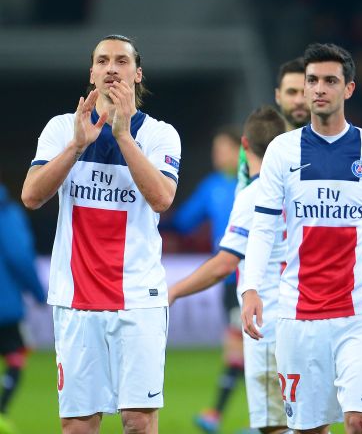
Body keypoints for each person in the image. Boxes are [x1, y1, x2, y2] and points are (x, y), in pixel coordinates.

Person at [240, 43, 362, 434]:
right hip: (297, 313)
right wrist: (251, 288)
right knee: (309, 429)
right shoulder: (282, 151)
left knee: (359, 422)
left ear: (349, 89)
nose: (319, 88)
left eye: (330, 80)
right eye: (313, 81)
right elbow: (262, 228)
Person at [21, 34, 180, 434]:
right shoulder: (62, 128)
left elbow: (162, 198)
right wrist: (76, 146)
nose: (112, 67)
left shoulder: (160, 134)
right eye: (103, 60)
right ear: (91, 73)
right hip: (76, 299)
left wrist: (123, 136)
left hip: (138, 298)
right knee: (77, 425)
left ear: (137, 73)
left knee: (139, 422)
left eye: (122, 61)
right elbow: (31, 196)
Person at [169, 106, 290, 434]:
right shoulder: (301, 191)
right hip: (308, 319)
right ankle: (217, 412)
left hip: (267, 321)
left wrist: (174, 291)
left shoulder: (253, 194)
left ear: (244, 145)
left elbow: (225, 263)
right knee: (310, 422)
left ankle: (216, 413)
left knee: (275, 426)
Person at [162, 125, 243, 433]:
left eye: (223, 149)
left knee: (246, 349)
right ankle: (258, 419)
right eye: (215, 150)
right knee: (239, 348)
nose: (217, 155)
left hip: (257, 277)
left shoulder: (259, 183)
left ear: (241, 151)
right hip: (228, 280)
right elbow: (184, 221)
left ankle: (221, 414)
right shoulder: (213, 186)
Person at [0, 179, 46, 433]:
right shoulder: (5, 212)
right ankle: (1, 411)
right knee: (16, 355)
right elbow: (19, 255)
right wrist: (38, 293)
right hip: (3, 303)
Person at [237, 57, 308, 194]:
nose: (299, 100)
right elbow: (243, 192)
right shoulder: (255, 140)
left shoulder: (333, 142)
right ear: (278, 95)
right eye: (291, 92)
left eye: (305, 93)